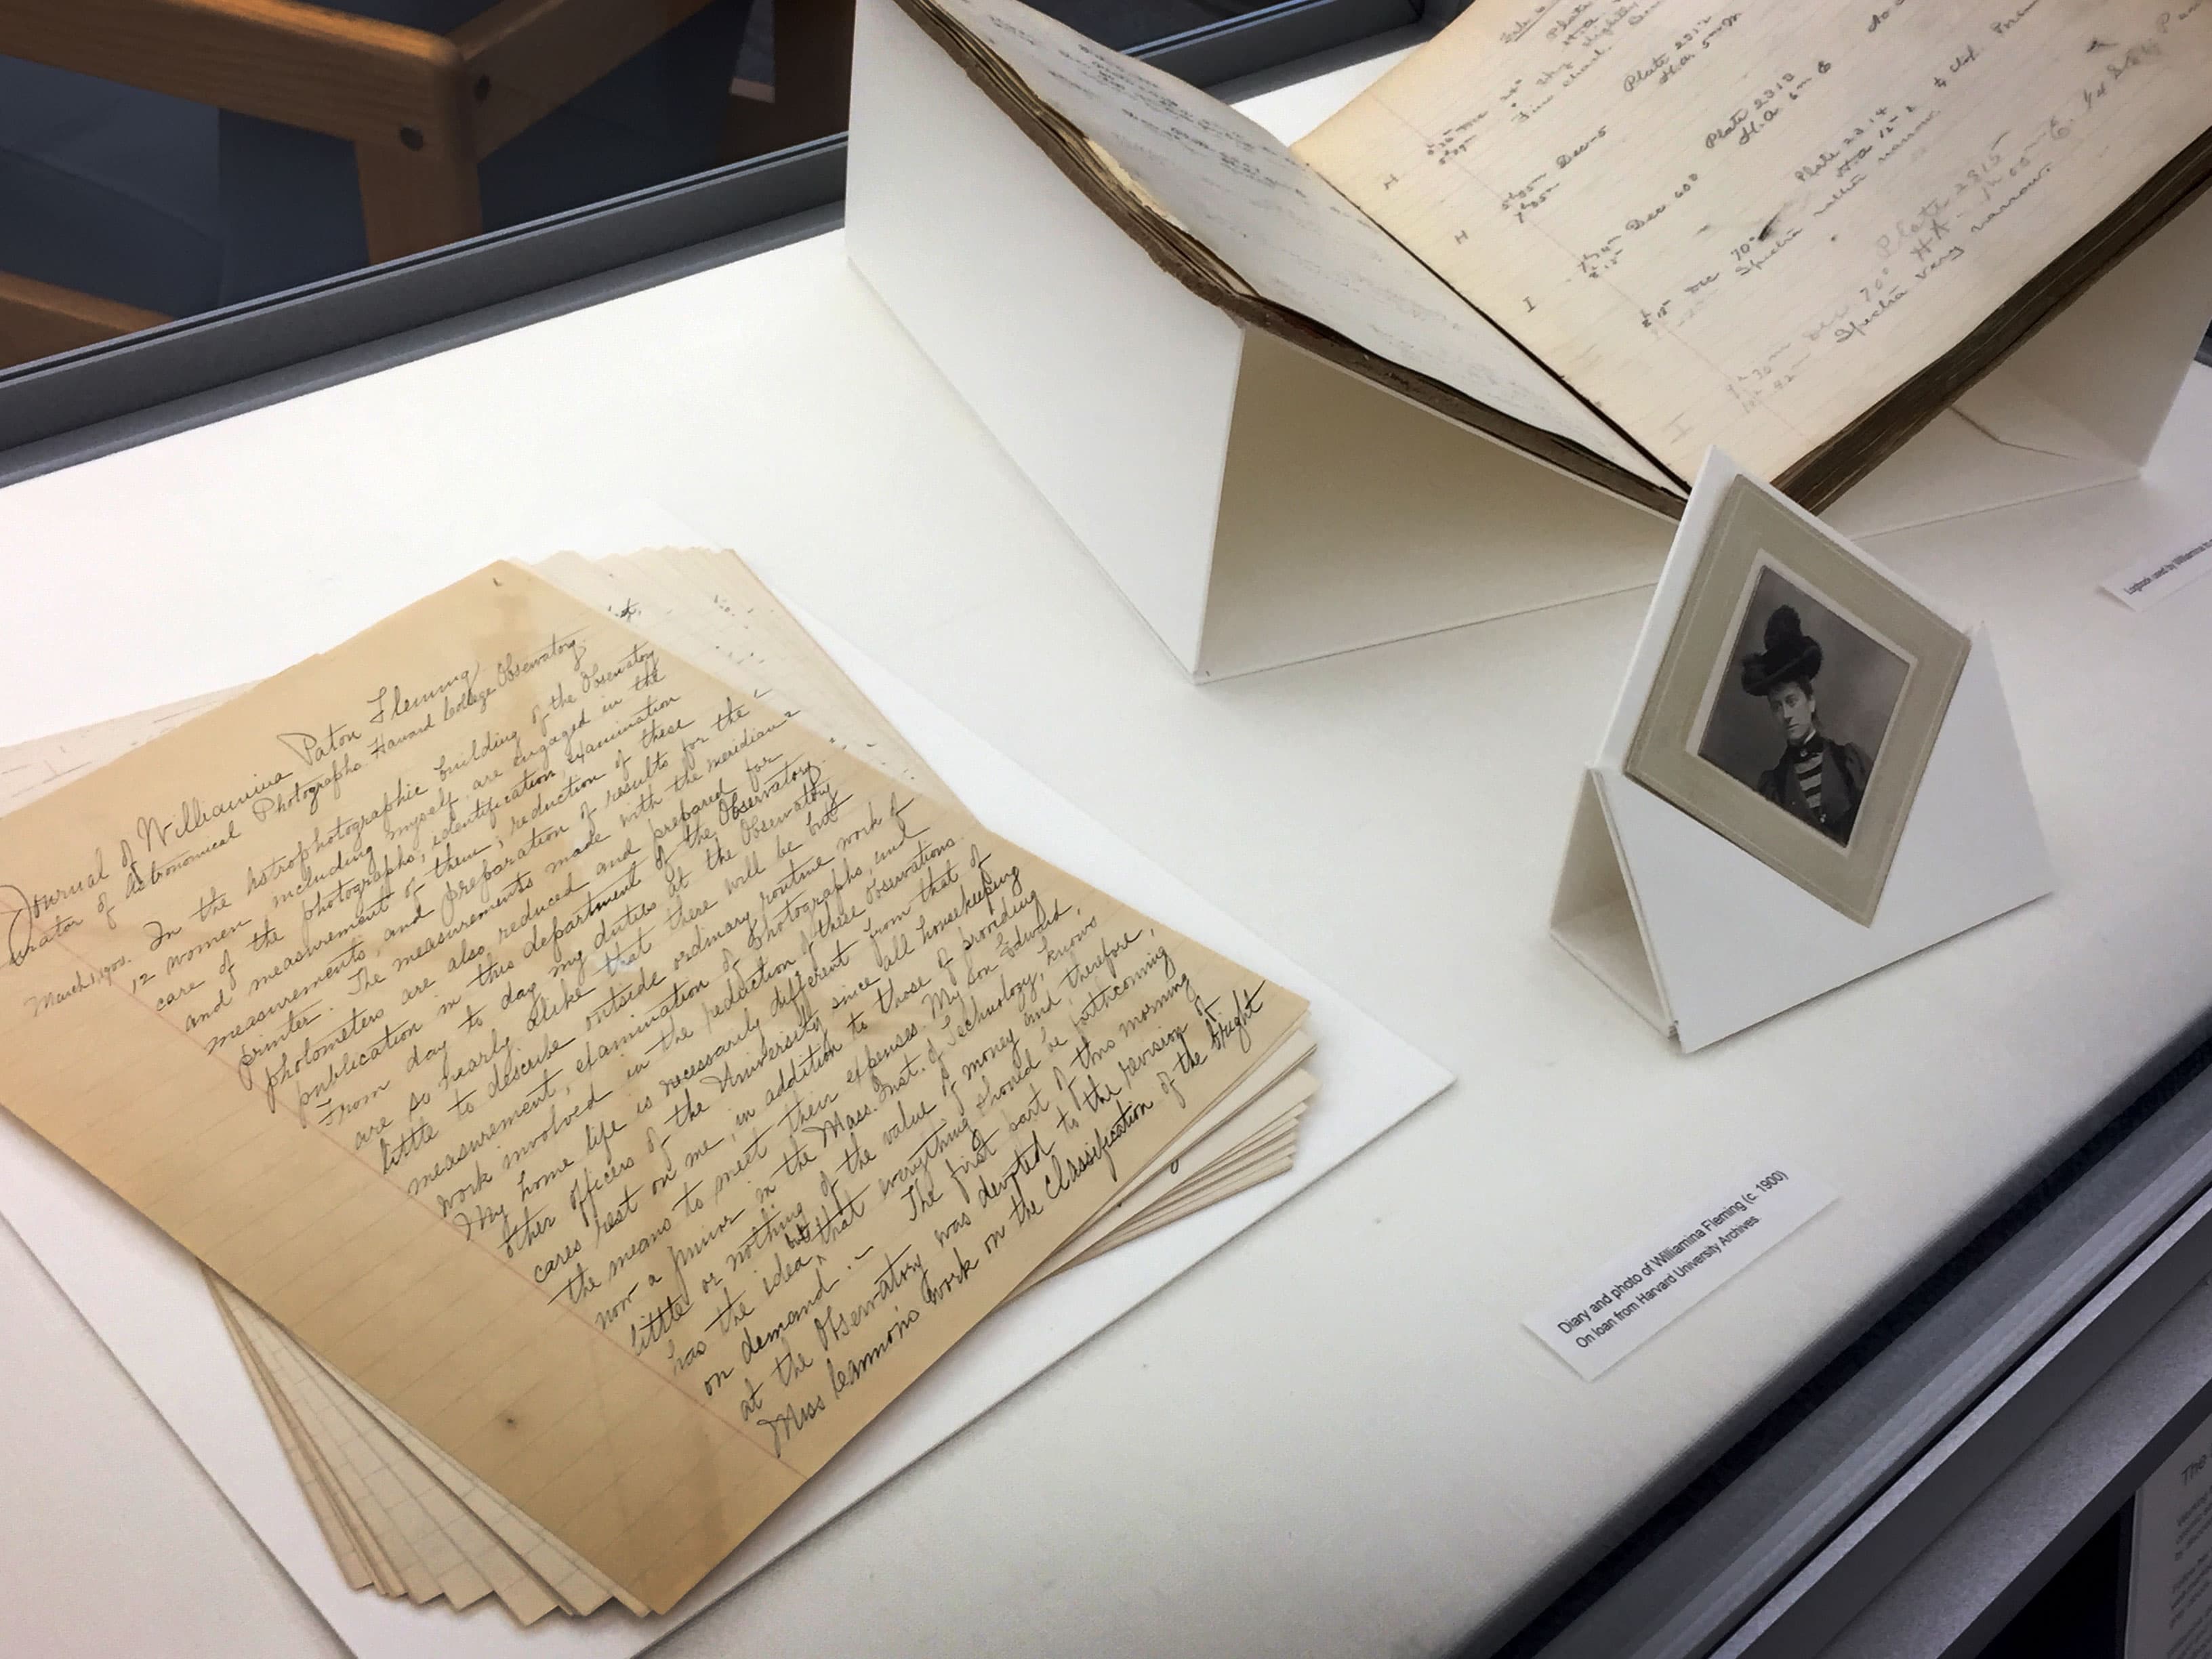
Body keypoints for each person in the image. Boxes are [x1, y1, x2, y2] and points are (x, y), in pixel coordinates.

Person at [1739, 605, 1871, 844]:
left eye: (1791, 701)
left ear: (1810, 702)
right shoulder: (1773, 787)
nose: (1786, 714)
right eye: (1777, 706)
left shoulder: (1850, 764)